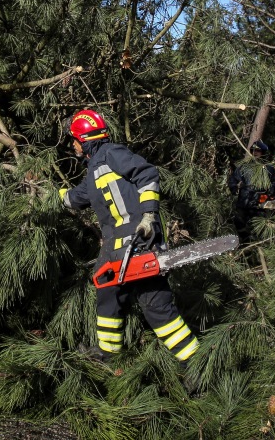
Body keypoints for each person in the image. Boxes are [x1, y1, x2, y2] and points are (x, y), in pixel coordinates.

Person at [61, 109, 199, 365]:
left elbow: (147, 174)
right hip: (114, 245)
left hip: (139, 240)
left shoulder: (113, 154)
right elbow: (75, 198)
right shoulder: (93, 169)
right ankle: (108, 352)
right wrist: (52, 195)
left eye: (74, 140)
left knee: (155, 305)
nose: (73, 146)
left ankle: (194, 363)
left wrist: (149, 215)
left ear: (83, 139)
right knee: (108, 295)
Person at [226, 140, 275, 241]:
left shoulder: (268, 169)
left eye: (258, 151)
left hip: (260, 203)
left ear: (263, 153)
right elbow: (233, 178)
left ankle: (256, 245)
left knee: (257, 226)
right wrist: (233, 187)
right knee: (238, 221)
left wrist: (272, 188)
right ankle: (245, 241)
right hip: (244, 201)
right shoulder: (244, 167)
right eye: (253, 150)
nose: (255, 153)